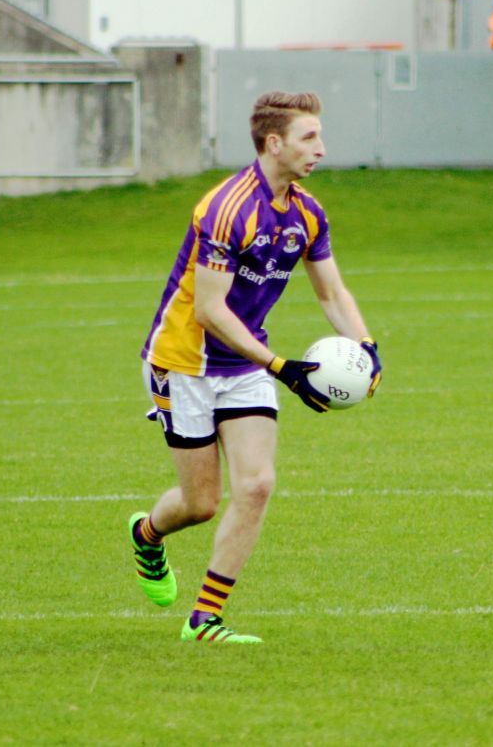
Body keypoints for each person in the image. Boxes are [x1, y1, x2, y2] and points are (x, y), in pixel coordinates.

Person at [129, 91, 382, 644]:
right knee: (199, 504)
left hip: (243, 366)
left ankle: (204, 620)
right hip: (185, 362)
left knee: (258, 484)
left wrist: (365, 346)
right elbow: (209, 309)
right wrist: (281, 366)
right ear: (274, 143)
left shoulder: (307, 213)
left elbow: (331, 291)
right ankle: (148, 535)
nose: (321, 148)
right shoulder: (227, 208)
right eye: (309, 137)